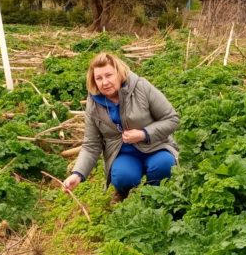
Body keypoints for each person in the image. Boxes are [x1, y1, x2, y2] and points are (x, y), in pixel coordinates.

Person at [62, 52, 179, 200]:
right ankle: (124, 195)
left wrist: (144, 133)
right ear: (94, 81)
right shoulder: (93, 104)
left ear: (119, 73)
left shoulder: (141, 87)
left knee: (164, 165)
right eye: (99, 78)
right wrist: (77, 174)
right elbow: (91, 144)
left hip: (155, 146)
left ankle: (154, 196)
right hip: (123, 153)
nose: (105, 82)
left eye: (109, 75)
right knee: (123, 177)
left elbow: (171, 119)